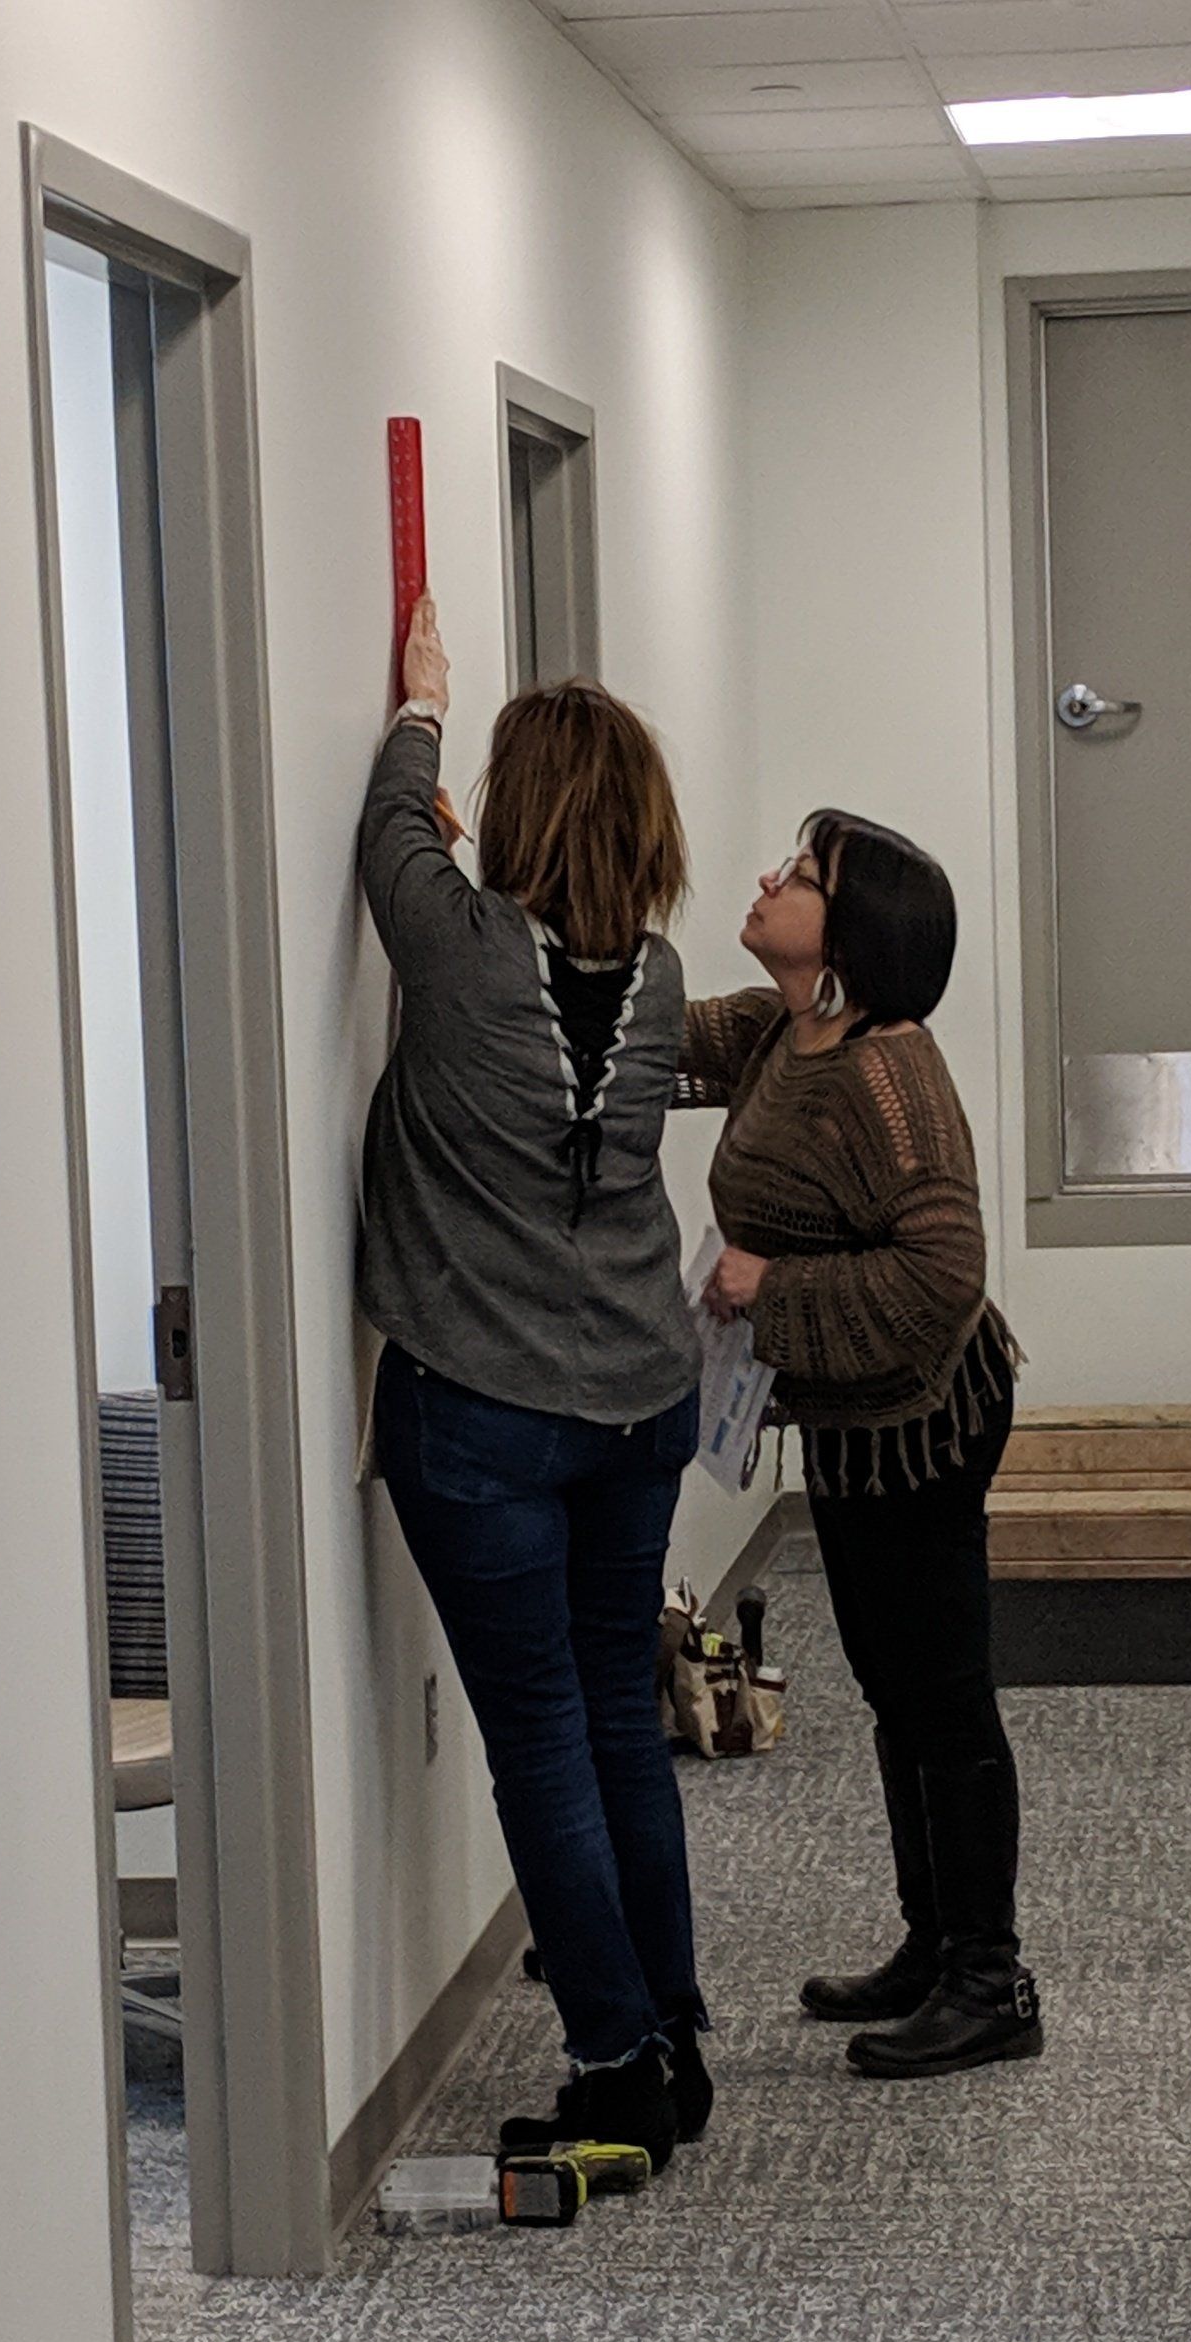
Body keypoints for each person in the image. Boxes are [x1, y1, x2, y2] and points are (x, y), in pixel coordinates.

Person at [359, 596, 709, 2170]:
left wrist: (422, 704)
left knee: (544, 1738)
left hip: (484, 1413)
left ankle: (615, 2065)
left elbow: (388, 833)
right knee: (620, 1716)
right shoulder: (662, 978)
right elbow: (492, 928)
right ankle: (672, 2032)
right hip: (638, 1398)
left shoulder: (461, 949)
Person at [675, 812, 1041, 2079]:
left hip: (923, 1423)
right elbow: (661, 1034)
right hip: (848, 1419)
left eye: (801, 875)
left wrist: (766, 1289)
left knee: (942, 1694)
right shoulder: (782, 1032)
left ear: (851, 936)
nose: (769, 879)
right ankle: (932, 1944)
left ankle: (992, 1980)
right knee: (891, 1686)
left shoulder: (890, 1080)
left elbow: (943, 1274)